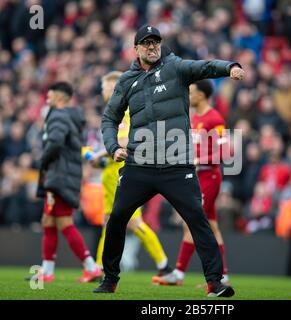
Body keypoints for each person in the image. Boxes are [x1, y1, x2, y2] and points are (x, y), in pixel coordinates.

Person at [94, 25, 244, 297]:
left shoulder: (176, 67)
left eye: (156, 42)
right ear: (136, 48)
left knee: (199, 220)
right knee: (116, 220)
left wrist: (230, 66)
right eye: (146, 43)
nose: (152, 47)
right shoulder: (126, 80)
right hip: (139, 164)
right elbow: (109, 119)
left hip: (176, 165)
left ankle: (215, 283)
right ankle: (110, 279)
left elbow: (206, 66)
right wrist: (113, 146)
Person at [89, 71, 172, 278]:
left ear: (113, 87)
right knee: (108, 221)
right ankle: (98, 268)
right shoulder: (114, 111)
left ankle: (164, 265)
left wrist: (101, 152)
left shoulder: (125, 110)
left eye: (104, 87)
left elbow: (126, 142)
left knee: (134, 223)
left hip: (123, 172)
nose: (102, 91)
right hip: (110, 171)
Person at [152, 79, 231, 286]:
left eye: (191, 92)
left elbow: (226, 151)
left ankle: (178, 274)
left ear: (201, 95)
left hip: (209, 177)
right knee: (212, 226)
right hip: (197, 177)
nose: (188, 96)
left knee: (191, 224)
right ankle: (223, 276)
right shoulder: (195, 118)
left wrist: (199, 160)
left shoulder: (214, 118)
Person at [30, 82, 102, 283]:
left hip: (58, 176)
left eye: (50, 95)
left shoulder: (59, 116)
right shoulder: (72, 117)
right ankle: (47, 270)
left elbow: (55, 142)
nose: (47, 99)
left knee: (63, 222)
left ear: (59, 97)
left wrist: (42, 160)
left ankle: (90, 266)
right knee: (49, 220)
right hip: (64, 175)